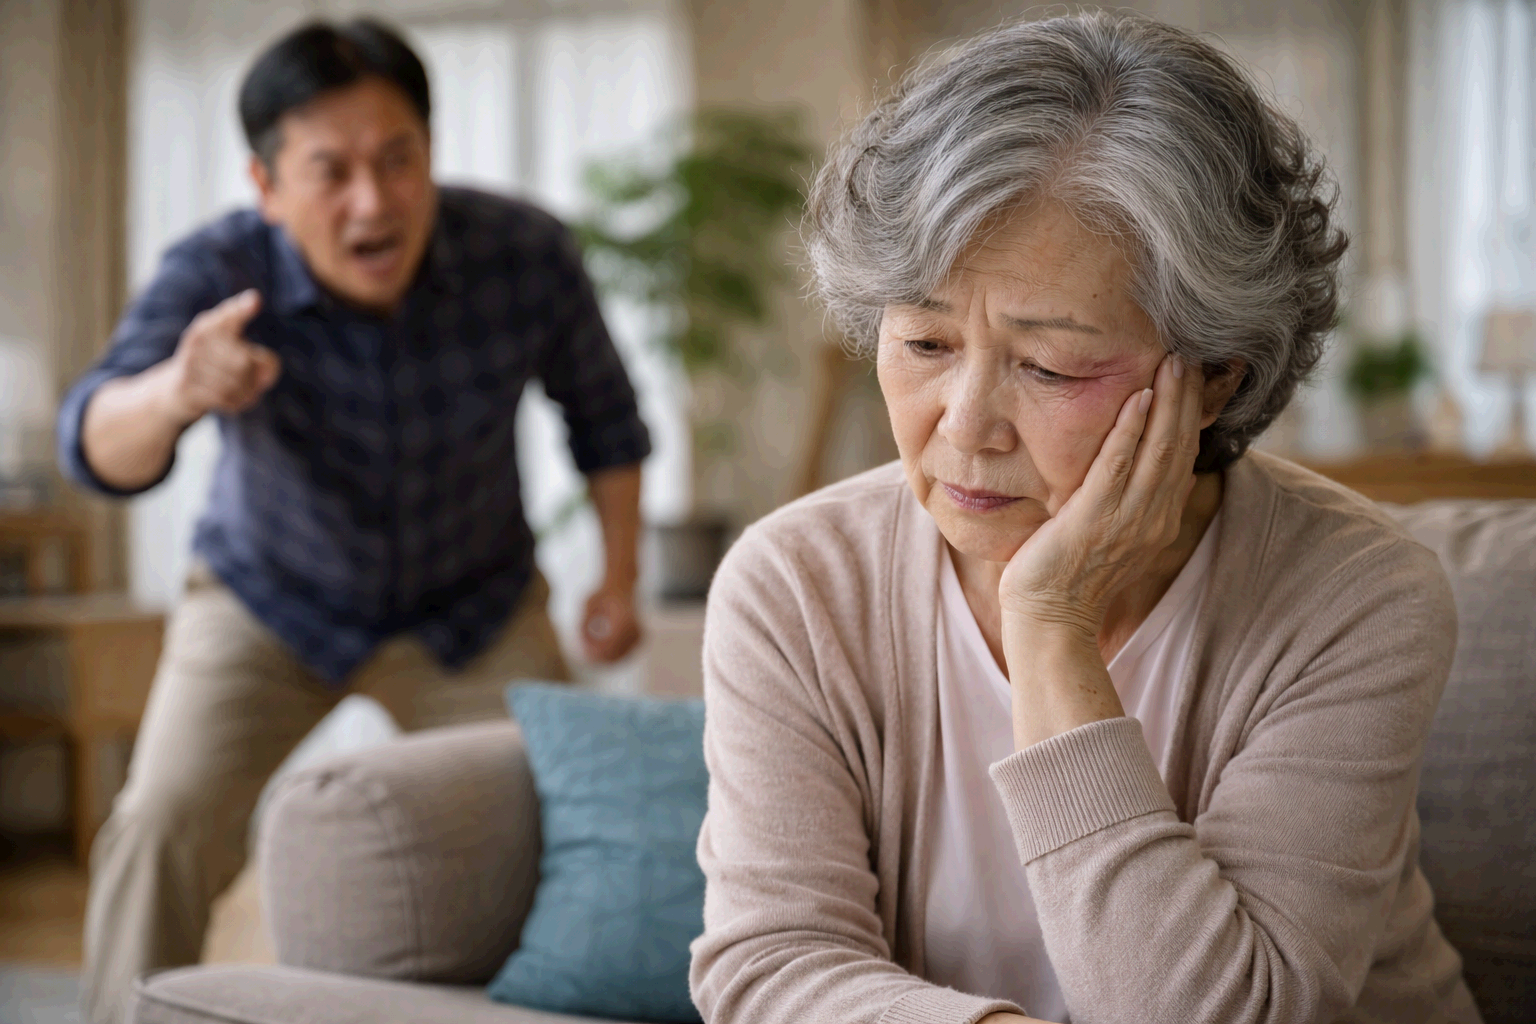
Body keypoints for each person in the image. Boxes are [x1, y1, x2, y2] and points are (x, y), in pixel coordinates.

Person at [689, 12, 1481, 1024]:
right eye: (925, 343)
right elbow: (769, 965)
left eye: (1050, 364)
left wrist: (1053, 617)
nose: (966, 426)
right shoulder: (796, 584)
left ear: (1211, 378)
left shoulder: (1358, 598)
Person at [58, 19, 651, 1024]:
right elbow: (95, 443)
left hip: (474, 605)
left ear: (431, 152)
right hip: (266, 601)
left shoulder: (524, 251)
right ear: (266, 184)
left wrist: (619, 579)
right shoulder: (215, 268)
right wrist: (176, 390)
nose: (372, 202)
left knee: (571, 819)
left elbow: (606, 423)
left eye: (397, 160)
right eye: (329, 171)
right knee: (162, 819)